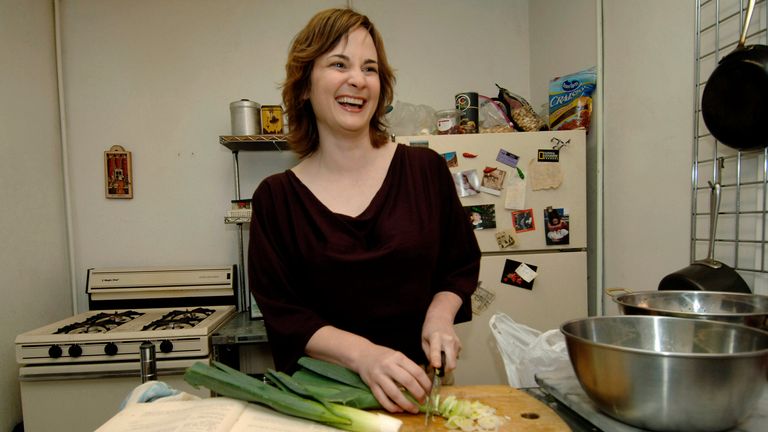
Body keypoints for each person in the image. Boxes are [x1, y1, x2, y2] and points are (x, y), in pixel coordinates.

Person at [247, 8, 480, 414]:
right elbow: (285, 315)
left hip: (417, 391)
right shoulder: (276, 198)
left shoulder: (425, 171)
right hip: (322, 402)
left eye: (369, 68)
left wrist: (440, 318)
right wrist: (364, 355)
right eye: (339, 64)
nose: (357, 79)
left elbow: (458, 266)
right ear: (304, 86)